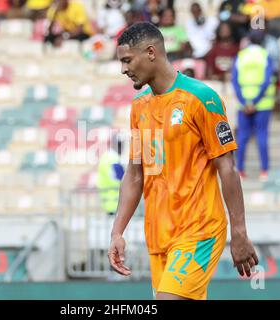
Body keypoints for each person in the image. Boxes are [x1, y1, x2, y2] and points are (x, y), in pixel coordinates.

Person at [108, 22, 258, 300]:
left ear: (151, 52)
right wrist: (117, 232)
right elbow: (135, 173)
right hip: (159, 237)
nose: (123, 69)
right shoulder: (139, 107)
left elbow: (226, 166)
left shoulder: (201, 98)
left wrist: (239, 231)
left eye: (127, 60)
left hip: (199, 230)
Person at [231, 29, 275, 181]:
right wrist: (255, 102)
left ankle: (240, 170)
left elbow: (235, 81)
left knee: (242, 137)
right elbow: (267, 80)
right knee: (262, 136)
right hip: (262, 103)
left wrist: (245, 102)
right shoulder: (265, 56)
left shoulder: (241, 56)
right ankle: (264, 171)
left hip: (243, 104)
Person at [97, 135, 125, 216]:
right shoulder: (113, 158)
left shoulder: (106, 156)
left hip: (108, 200)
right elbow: (121, 177)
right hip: (114, 200)